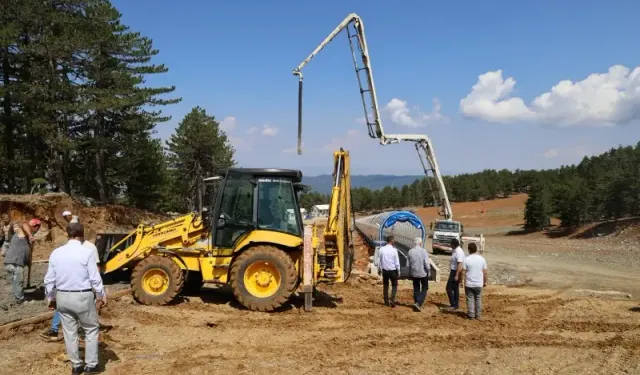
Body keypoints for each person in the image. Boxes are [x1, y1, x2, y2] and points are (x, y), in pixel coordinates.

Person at [44, 223, 107, 374]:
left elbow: (49, 280)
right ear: (82, 234)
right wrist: (101, 294)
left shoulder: (56, 253)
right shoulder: (87, 252)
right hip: (82, 296)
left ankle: (76, 365)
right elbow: (94, 278)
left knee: (69, 332)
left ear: (67, 234)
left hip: (63, 296)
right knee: (91, 329)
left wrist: (50, 297)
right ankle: (91, 365)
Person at [41, 236, 101, 341]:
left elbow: (97, 266)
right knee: (62, 308)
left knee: (83, 311)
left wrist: (96, 286)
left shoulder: (90, 248)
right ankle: (55, 330)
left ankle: (83, 331)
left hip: (84, 287)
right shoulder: (66, 249)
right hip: (69, 286)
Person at [3, 218, 40, 304]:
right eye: (36, 227)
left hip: (16, 262)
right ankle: (20, 299)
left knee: (17, 281)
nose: (37, 230)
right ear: (36, 227)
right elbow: (23, 223)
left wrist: (29, 261)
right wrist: (30, 235)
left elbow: (29, 251)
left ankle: (20, 296)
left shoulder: (28, 238)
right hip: (14, 261)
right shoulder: (22, 232)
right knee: (19, 281)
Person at [462, 242, 488, 320]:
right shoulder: (482, 259)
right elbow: (485, 273)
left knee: (470, 299)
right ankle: (478, 315)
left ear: (469, 250)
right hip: (479, 283)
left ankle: (471, 314)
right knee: (478, 298)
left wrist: (461, 281)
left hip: (469, 283)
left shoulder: (466, 259)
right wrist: (485, 281)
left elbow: (463, 272)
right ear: (476, 249)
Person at [407, 237, 430, 312]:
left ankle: (416, 302)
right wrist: (428, 270)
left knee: (416, 288)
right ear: (420, 243)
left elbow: (408, 264)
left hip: (414, 273)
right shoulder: (423, 251)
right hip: (423, 273)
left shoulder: (410, 251)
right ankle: (418, 303)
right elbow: (426, 263)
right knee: (424, 288)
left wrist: (409, 272)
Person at [377, 235, 400, 307]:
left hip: (385, 271)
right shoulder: (394, 250)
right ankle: (392, 299)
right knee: (394, 285)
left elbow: (379, 260)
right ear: (392, 241)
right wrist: (398, 271)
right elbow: (397, 262)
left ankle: (386, 301)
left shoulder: (382, 249)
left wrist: (379, 269)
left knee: (386, 285)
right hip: (393, 271)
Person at [446, 238, 465, 310]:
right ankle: (455, 304)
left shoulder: (459, 252)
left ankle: (453, 304)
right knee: (455, 288)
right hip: (454, 271)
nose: (450, 245)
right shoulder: (455, 251)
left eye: (451, 244)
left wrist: (457, 275)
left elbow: (460, 264)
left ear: (453, 245)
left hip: (455, 271)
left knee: (449, 288)